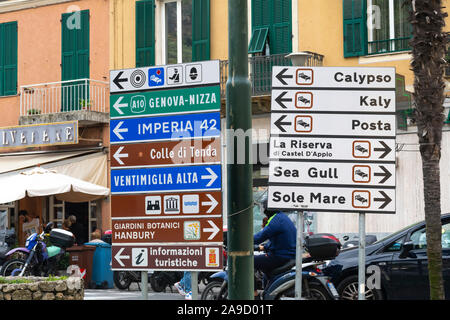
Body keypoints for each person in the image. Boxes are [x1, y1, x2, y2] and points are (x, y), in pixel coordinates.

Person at [253, 198, 297, 297]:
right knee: (265, 271)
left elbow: (261, 236)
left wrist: (243, 241)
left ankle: (254, 294)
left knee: (250, 261)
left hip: (281, 256)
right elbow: (278, 239)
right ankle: (267, 293)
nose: (263, 210)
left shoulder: (276, 220)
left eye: (263, 207)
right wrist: (264, 247)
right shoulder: (281, 217)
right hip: (286, 254)